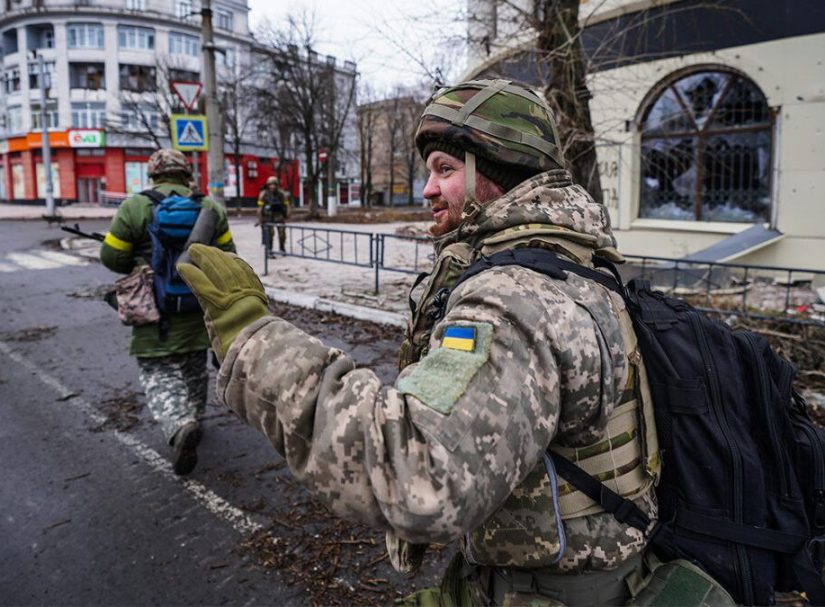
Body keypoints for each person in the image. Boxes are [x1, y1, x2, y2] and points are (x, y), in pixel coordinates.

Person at [178, 80, 662, 605]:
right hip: (572, 579)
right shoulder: (575, 263)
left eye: (445, 169)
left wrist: (252, 336)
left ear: (498, 172)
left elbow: (420, 473)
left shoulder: (516, 296)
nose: (427, 189)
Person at [100, 149, 236, 475]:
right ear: (186, 174)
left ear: (154, 173)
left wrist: (141, 260)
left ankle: (179, 423)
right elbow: (228, 255)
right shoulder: (209, 208)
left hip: (154, 308)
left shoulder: (134, 207)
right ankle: (196, 417)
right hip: (197, 305)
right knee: (194, 365)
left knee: (158, 370)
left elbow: (112, 257)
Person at [257, 176, 289, 253]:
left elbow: (287, 205)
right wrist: (261, 219)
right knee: (270, 234)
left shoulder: (281, 194)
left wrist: (287, 215)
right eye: (270, 185)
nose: (272, 186)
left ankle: (282, 248)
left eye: (274, 184)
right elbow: (260, 208)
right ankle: (269, 250)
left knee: (282, 233)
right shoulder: (264, 194)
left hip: (279, 216)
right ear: (268, 185)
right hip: (268, 216)